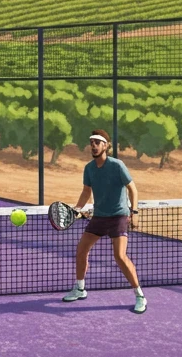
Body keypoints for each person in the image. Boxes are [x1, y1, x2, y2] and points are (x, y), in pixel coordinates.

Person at [62, 128, 146, 314]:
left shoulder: (117, 166)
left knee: (120, 256)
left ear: (105, 146)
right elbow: (86, 192)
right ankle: (80, 288)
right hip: (99, 217)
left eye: (97, 142)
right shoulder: (89, 169)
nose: (93, 145)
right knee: (81, 250)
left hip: (118, 217)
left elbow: (133, 189)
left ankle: (140, 296)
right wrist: (77, 209)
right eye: (91, 142)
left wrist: (135, 212)